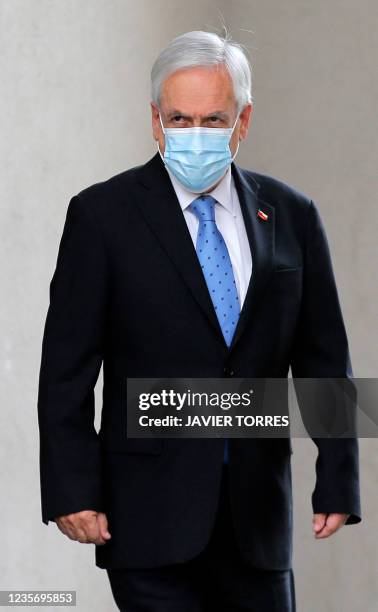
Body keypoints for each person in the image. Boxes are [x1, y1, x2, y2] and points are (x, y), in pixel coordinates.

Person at [37, 30, 361, 611]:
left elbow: (325, 359)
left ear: (242, 121)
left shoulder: (292, 216)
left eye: (213, 119)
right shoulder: (101, 217)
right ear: (156, 121)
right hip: (147, 520)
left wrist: (339, 475)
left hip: (257, 521)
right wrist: (70, 488)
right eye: (179, 119)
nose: (195, 135)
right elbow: (66, 370)